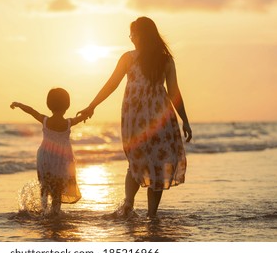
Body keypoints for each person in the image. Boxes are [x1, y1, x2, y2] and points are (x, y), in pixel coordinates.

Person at [77, 17, 192, 217]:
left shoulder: (130, 58)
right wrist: (185, 120)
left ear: (141, 35)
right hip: (159, 117)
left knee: (137, 161)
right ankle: (150, 215)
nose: (130, 37)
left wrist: (92, 106)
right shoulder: (164, 59)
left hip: (136, 117)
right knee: (157, 163)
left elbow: (112, 84)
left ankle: (129, 206)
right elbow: (174, 93)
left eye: (133, 33)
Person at [10, 88, 87, 215]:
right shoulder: (68, 122)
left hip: (45, 157)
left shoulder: (45, 120)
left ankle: (44, 210)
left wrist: (18, 104)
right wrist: (87, 113)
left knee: (44, 185)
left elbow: (31, 111)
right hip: (62, 159)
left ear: (48, 105)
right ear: (67, 106)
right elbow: (81, 118)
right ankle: (55, 212)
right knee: (58, 188)